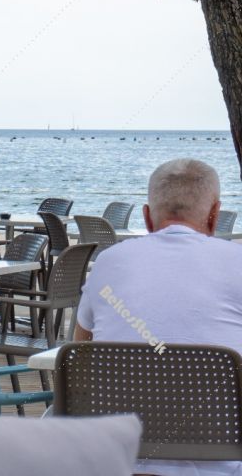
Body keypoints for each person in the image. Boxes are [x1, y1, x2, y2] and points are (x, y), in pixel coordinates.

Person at [76, 158, 242, 476]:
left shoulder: (109, 263)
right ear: (214, 214)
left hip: (120, 460)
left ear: (147, 217)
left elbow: (80, 357)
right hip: (224, 461)